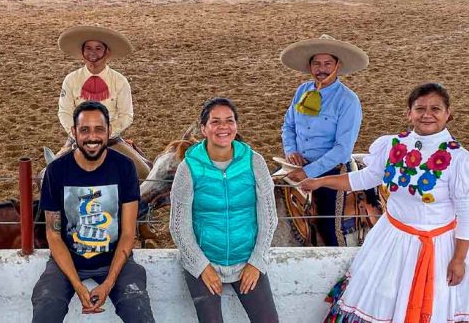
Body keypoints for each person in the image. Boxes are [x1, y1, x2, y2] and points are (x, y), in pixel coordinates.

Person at [300, 83, 469, 323]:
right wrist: (321, 182)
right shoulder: (393, 146)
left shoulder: (459, 159)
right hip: (391, 240)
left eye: (435, 108)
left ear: (448, 114)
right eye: (419, 108)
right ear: (408, 113)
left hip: (440, 248)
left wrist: (459, 259)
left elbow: (466, 213)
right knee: (382, 298)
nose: (427, 114)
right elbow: (366, 177)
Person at [31, 101, 155, 322]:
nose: (92, 137)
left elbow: (128, 234)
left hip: (116, 259)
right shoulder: (56, 171)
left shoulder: (125, 167)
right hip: (67, 260)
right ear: (73, 132)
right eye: (84, 130)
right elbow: (53, 234)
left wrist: (108, 283)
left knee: (137, 307)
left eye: (99, 129)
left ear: (109, 131)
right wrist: (77, 284)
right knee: (46, 304)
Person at [170, 98, 279, 323]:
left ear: (236, 126)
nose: (223, 127)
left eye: (229, 121)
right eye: (215, 121)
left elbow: (269, 216)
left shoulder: (254, 162)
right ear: (204, 129)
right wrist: (201, 267)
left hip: (246, 259)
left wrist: (256, 261)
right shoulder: (188, 168)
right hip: (204, 261)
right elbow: (178, 226)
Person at [280, 34, 368, 246]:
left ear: (337, 65)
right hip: (296, 162)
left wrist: (308, 172)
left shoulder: (348, 100)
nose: (322, 68)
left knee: (329, 227)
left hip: (332, 169)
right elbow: (288, 125)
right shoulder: (302, 90)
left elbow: (343, 150)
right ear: (310, 66)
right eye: (317, 63)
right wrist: (291, 150)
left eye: (328, 63)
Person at [57, 25, 151, 178]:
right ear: (82, 52)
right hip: (78, 137)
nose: (92, 53)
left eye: (98, 48)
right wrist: (77, 135)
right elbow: (64, 112)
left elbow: (126, 115)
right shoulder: (71, 80)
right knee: (49, 173)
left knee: (143, 174)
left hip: (111, 139)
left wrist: (106, 134)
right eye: (88, 48)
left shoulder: (120, 81)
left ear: (107, 52)